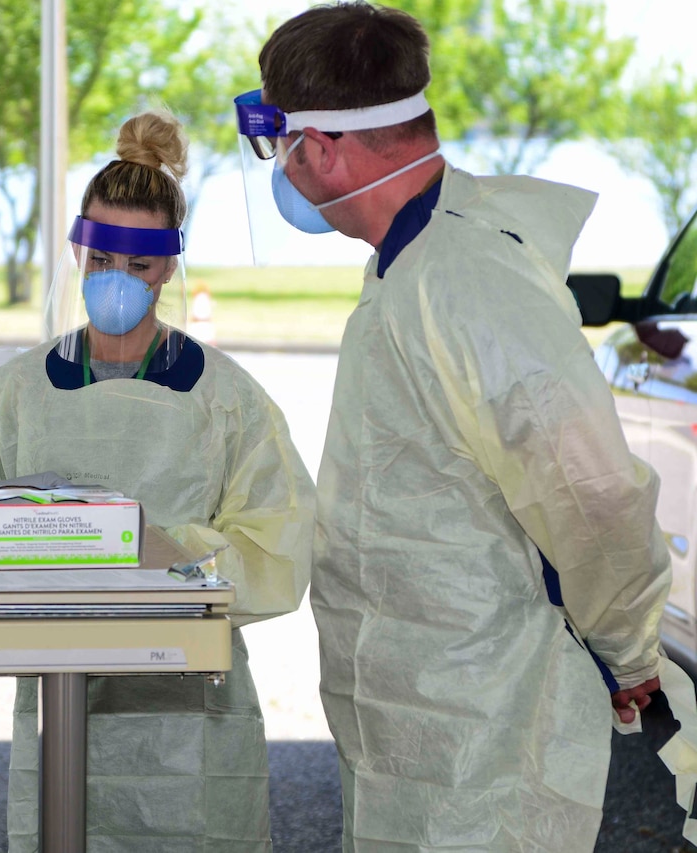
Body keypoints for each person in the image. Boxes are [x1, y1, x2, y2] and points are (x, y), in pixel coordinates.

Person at [239, 3, 671, 849]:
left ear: (320, 147)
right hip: (432, 721)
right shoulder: (413, 261)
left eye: (277, 146)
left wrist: (627, 647)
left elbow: (589, 489)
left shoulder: (466, 275)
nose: (280, 170)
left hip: (486, 725)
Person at [0, 110, 316, 852]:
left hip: (190, 714)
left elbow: (280, 543)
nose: (117, 281)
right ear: (79, 251)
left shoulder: (223, 397)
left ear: (168, 265)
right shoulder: (19, 392)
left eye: (138, 266)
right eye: (101, 259)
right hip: (56, 689)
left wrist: (169, 552)